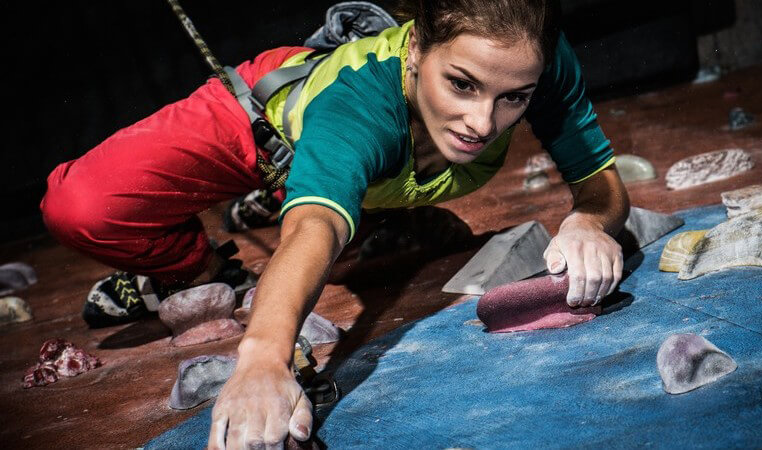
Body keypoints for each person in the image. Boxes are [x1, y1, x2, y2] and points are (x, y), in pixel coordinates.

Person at [40, 0, 629, 447]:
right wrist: (264, 360)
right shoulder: (356, 105)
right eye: (462, 84)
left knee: (354, 237)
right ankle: (193, 269)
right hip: (265, 129)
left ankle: (352, 209)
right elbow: (313, 229)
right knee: (81, 206)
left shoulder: (535, 60)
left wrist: (588, 221)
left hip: (367, 176)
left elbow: (600, 184)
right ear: (419, 47)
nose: (482, 122)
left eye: (514, 100)